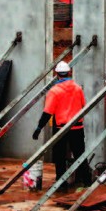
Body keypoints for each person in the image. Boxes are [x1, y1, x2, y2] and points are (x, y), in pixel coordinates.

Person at [32, 61, 91, 189]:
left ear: (57, 74)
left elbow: (47, 112)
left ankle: (61, 183)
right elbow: (83, 106)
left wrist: (39, 128)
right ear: (69, 72)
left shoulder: (55, 91)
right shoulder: (78, 88)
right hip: (77, 126)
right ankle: (86, 181)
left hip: (61, 128)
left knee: (59, 156)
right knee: (80, 154)